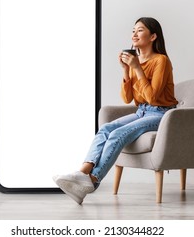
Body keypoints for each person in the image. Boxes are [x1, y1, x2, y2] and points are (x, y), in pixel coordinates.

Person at [53, 17, 178, 204]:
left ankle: (93, 180)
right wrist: (126, 70)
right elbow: (127, 98)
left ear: (153, 36)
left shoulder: (161, 61)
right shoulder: (137, 61)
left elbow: (152, 97)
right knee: (106, 128)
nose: (134, 34)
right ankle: (82, 173)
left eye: (140, 30)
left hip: (162, 113)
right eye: (133, 30)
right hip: (142, 111)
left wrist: (136, 68)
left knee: (117, 134)